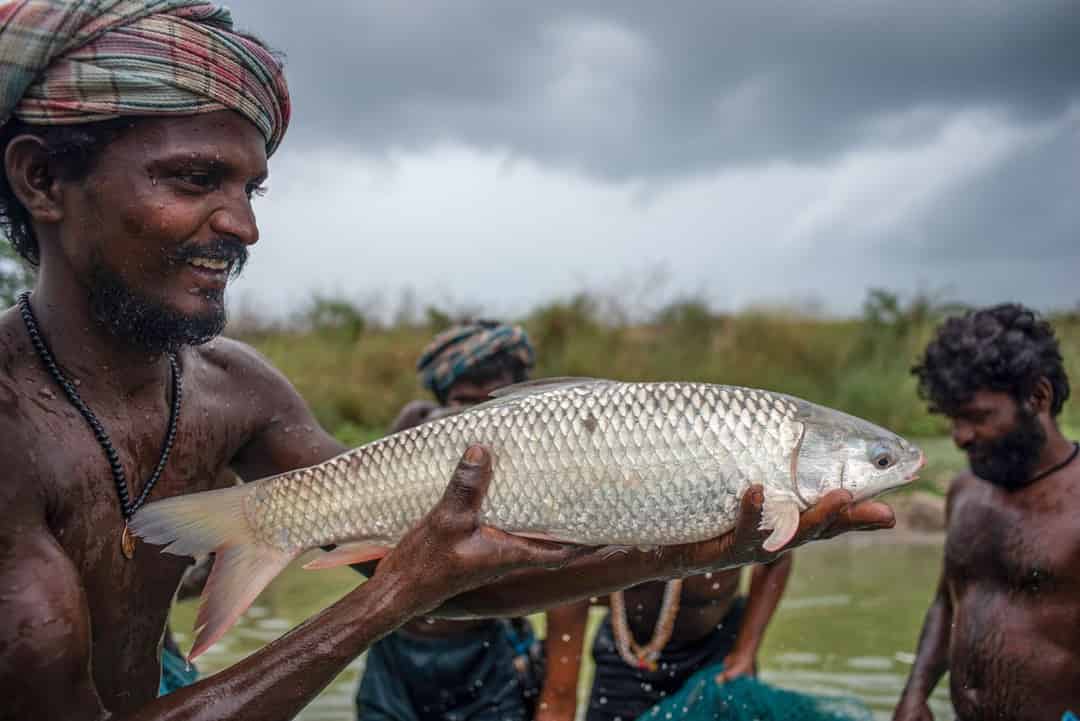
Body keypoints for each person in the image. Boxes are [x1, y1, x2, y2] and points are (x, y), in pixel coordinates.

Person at [0, 2, 896, 719]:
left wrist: (696, 548)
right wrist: (386, 602)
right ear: (41, 179)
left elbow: (456, 580)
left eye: (251, 187)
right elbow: (407, 588)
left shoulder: (238, 390)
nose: (244, 225)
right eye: (196, 180)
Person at [356, 320, 556, 721]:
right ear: (442, 398)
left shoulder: (537, 445)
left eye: (490, 402)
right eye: (464, 402)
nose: (477, 416)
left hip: (488, 641)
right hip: (400, 640)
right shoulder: (416, 427)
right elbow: (367, 502)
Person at [894, 303, 1080, 721]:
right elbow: (947, 602)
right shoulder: (965, 491)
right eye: (954, 419)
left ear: (1038, 397)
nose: (960, 437)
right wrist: (915, 694)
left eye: (978, 417)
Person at [538, 555, 792, 721]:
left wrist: (745, 652)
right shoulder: (580, 555)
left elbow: (778, 555)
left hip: (717, 653)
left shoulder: (718, 507)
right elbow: (559, 696)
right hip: (627, 652)